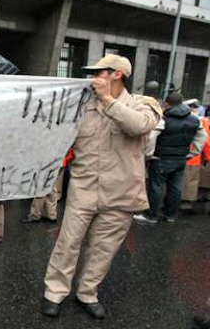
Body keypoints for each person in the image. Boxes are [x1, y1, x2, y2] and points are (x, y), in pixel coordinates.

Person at [41, 54, 161, 319]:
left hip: (121, 194)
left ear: (117, 74)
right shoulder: (81, 105)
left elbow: (139, 126)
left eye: (99, 72)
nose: (92, 77)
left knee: (103, 249)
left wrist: (108, 100)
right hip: (83, 190)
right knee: (67, 243)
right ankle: (54, 292)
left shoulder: (143, 104)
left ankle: (87, 293)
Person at [133, 93, 205, 224]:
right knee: (175, 188)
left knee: (155, 187)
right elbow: (202, 136)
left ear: (166, 103)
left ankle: (151, 215)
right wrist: (194, 152)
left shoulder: (163, 119)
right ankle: (170, 215)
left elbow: (151, 138)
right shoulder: (194, 119)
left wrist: (149, 154)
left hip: (161, 158)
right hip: (181, 158)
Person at [21, 148, 73, 224]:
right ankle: (51, 214)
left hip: (50, 160)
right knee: (52, 186)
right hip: (61, 159)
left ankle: (35, 214)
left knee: (42, 185)